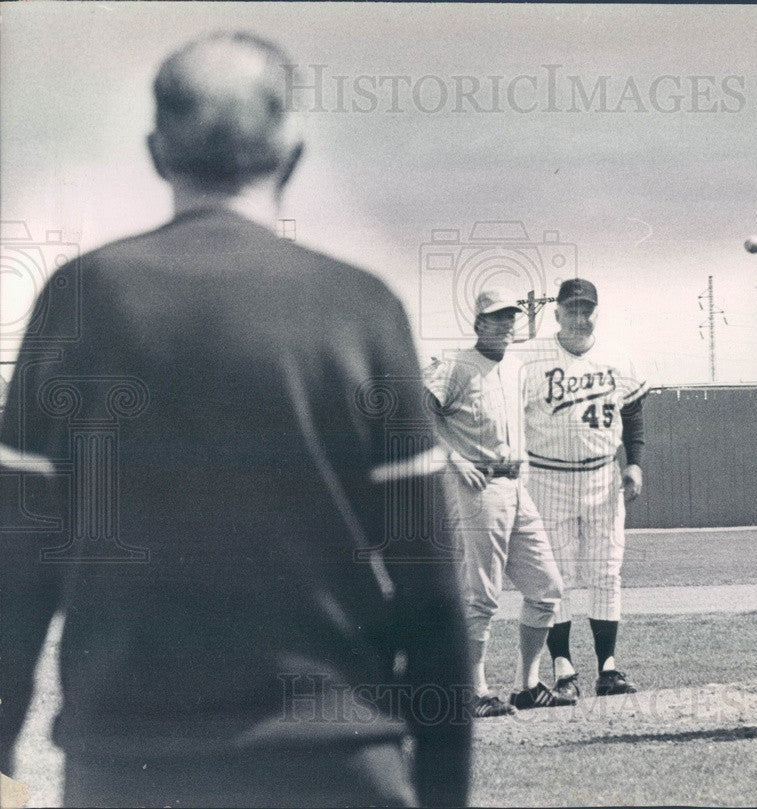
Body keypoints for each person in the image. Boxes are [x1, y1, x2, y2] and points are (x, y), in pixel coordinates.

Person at [0, 32, 472, 807]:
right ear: (290, 152)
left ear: (158, 152)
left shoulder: (79, 299)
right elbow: (432, 594)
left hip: (131, 769)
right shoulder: (360, 308)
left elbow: (14, 582)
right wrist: (447, 792)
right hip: (336, 765)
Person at [425, 289, 572, 715]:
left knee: (547, 588)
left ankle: (526, 685)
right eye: (496, 317)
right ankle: (473, 690)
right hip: (477, 487)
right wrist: (451, 457)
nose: (506, 323)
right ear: (478, 323)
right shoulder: (455, 365)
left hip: (514, 485)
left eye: (511, 316)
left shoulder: (517, 367)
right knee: (482, 596)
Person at [521, 278, 649, 699]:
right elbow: (510, 415)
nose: (580, 317)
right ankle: (563, 668)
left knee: (606, 571)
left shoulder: (617, 357)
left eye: (587, 309)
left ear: (597, 312)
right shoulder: (530, 359)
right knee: (554, 576)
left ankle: (608, 668)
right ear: (556, 313)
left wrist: (633, 463)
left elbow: (633, 413)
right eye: (572, 309)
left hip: (601, 477)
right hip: (546, 475)